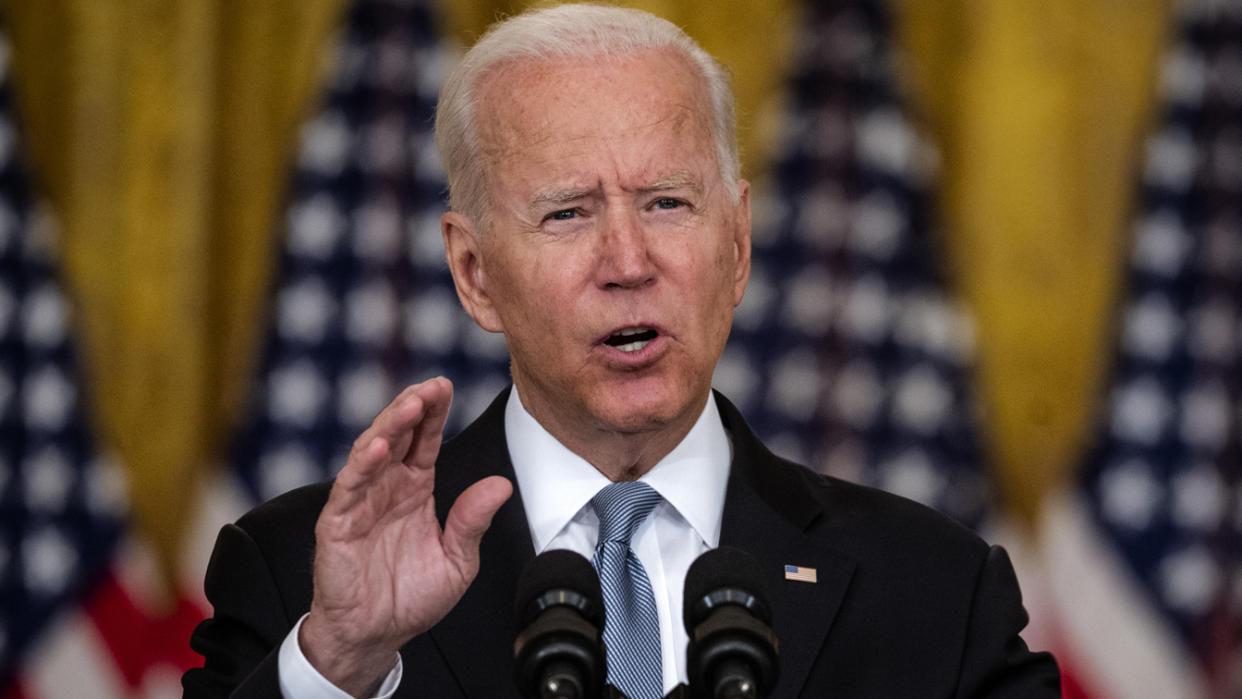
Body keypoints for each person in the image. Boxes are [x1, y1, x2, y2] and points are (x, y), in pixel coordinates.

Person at [183, 4, 1061, 698]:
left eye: (668, 203)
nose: (630, 261)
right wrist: (337, 662)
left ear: (739, 244)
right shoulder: (303, 582)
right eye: (567, 212)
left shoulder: (935, 590)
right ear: (474, 271)